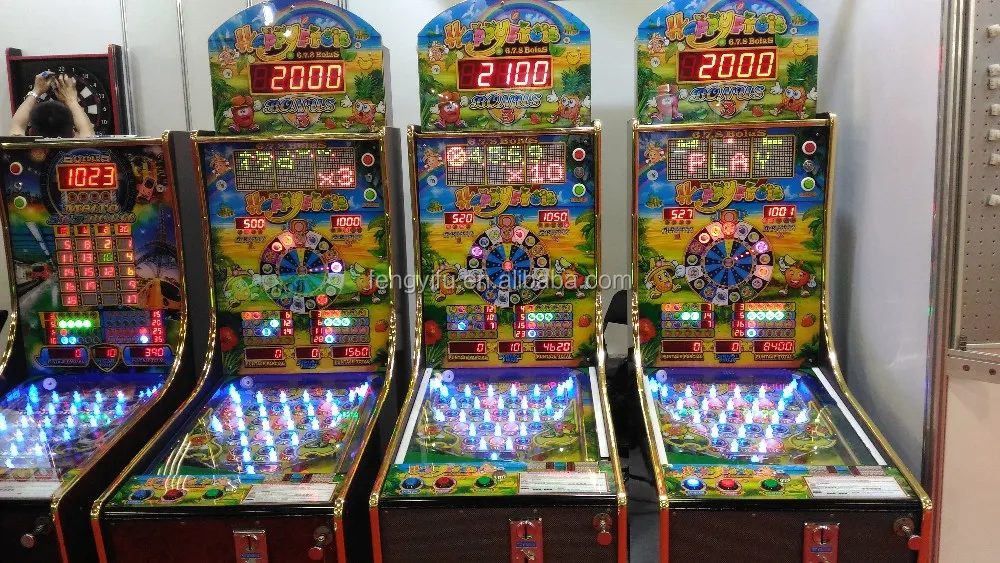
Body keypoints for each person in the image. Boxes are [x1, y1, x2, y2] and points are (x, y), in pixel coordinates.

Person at [8, 72, 95, 137]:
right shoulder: (82, 152)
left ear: (31, 132)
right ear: (73, 132)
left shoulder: (21, 153)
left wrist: (36, 91)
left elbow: (17, 126)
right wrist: (71, 100)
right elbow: (88, 134)